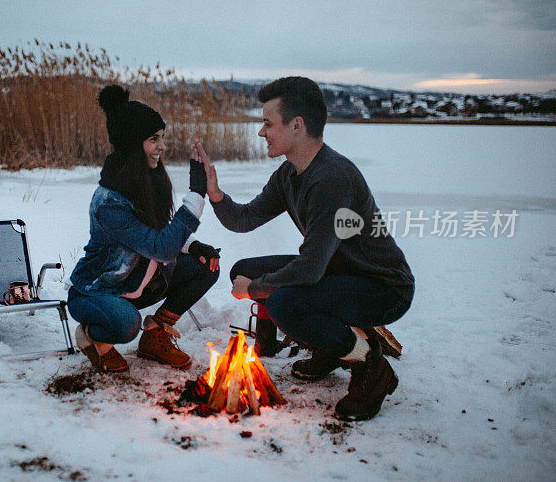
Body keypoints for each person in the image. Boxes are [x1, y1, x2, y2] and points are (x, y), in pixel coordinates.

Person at [195, 76, 414, 421]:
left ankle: (369, 364)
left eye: (268, 123)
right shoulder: (289, 174)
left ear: (296, 125)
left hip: (381, 287)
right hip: (334, 271)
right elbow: (246, 217)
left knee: (284, 302)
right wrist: (216, 193)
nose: (261, 132)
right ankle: (330, 346)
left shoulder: (332, 179)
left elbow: (309, 269)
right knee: (245, 270)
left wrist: (254, 290)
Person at [68, 85, 220, 373]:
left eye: (161, 138)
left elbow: (161, 233)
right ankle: (92, 337)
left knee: (206, 266)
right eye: (154, 139)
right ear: (132, 144)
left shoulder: (147, 180)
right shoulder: (109, 203)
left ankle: (156, 333)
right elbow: (161, 248)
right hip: (97, 292)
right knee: (126, 324)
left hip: (135, 284)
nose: (162, 146)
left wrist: (192, 247)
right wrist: (197, 194)